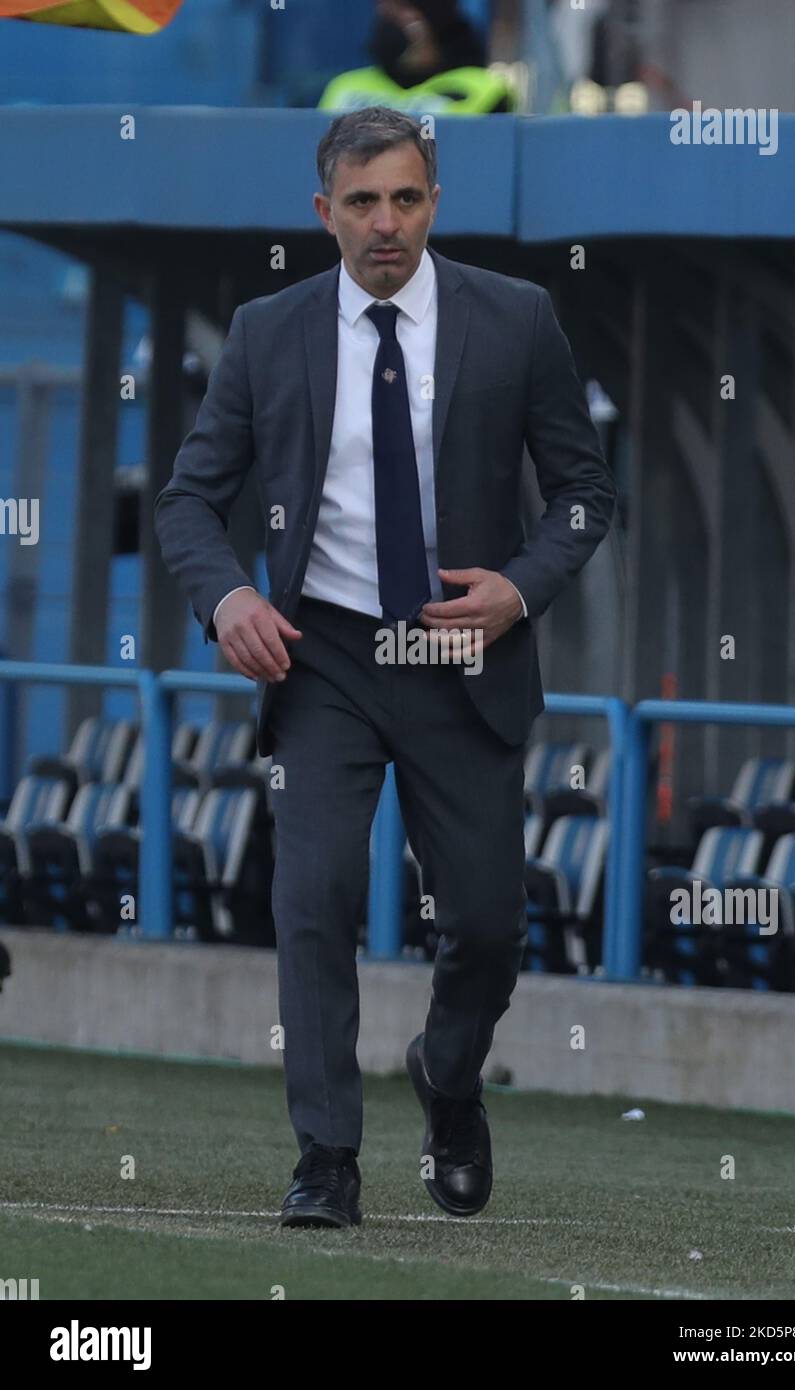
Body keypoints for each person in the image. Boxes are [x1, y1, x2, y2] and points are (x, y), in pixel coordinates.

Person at [153, 105, 616, 1228]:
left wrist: (516, 585)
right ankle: (327, 1158)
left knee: (492, 926)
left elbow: (585, 491)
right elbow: (188, 503)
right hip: (327, 659)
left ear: (434, 204)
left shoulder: (515, 319)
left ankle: (448, 1079)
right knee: (311, 897)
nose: (385, 223)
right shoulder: (268, 333)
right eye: (361, 202)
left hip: (464, 649)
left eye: (405, 198)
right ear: (324, 214)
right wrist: (230, 599)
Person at [319, 0, 515, 114]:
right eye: (383, 11)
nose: (385, 23)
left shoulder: (484, 91)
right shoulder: (344, 87)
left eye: (399, 10)